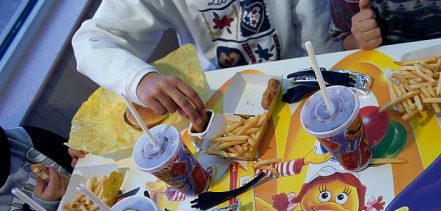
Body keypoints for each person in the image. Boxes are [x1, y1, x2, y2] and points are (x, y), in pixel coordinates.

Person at [72, 0, 341, 130]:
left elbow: (316, 32)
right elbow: (90, 41)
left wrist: (331, 74)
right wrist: (139, 79)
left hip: (296, 77)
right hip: (221, 98)